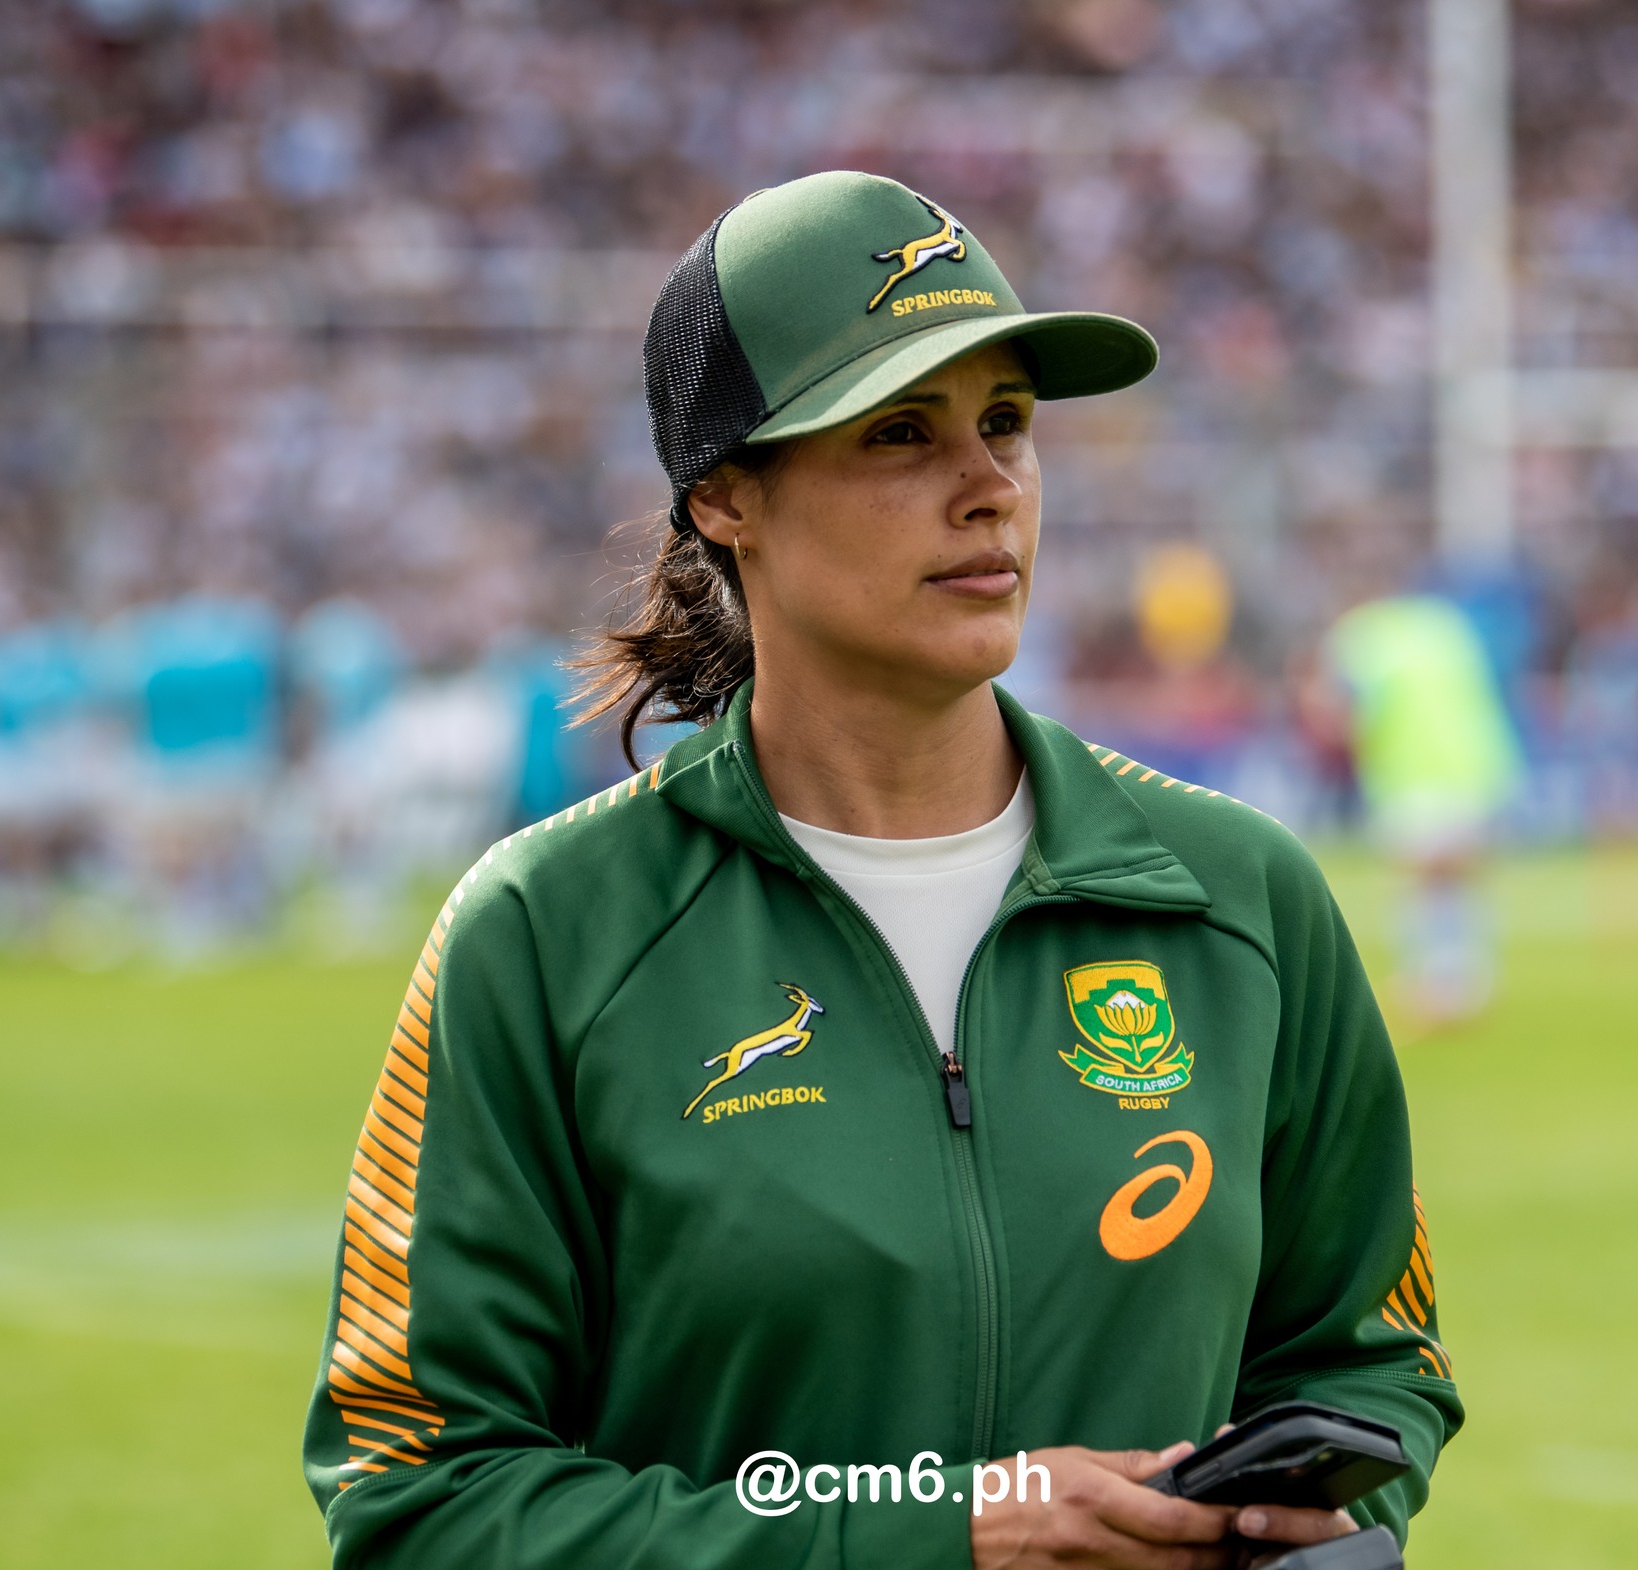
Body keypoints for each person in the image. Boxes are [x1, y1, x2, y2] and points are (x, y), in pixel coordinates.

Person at [302, 171, 1462, 1570]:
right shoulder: (545, 933)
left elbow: (1372, 1361)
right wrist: (941, 1534)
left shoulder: (1241, 894)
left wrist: (1287, 1516)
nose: (988, 488)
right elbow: (420, 1500)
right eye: (903, 433)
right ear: (726, 496)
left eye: (1009, 425)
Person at [1318, 581, 1522, 1026]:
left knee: (1424, 881)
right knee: (1457, 881)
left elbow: (1342, 712)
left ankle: (1435, 986)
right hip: (1480, 763)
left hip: (1416, 776)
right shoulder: (1444, 624)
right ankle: (1465, 981)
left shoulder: (1358, 637)